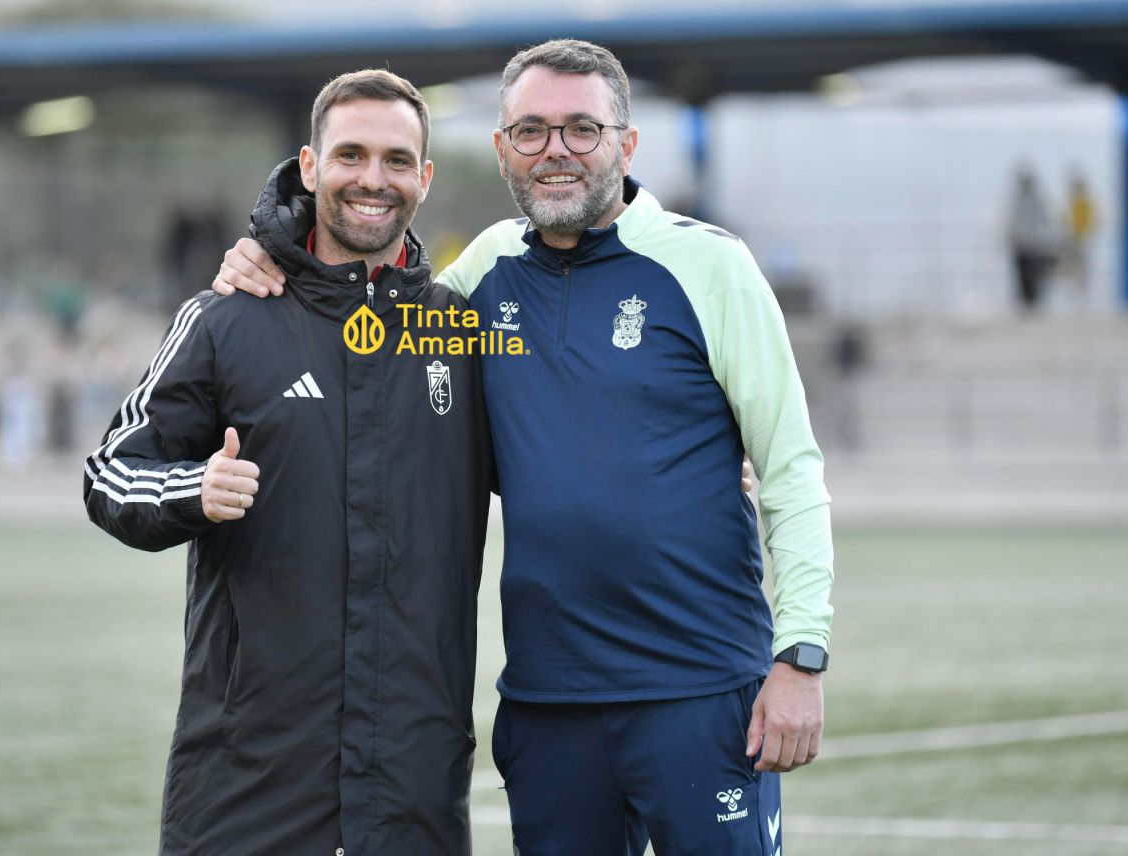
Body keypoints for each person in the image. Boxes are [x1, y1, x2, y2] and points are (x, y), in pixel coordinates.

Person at [214, 40, 834, 856]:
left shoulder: (711, 266)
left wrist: (801, 657)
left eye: (582, 129)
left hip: (701, 689)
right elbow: (364, 330)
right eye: (531, 132)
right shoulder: (484, 272)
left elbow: (790, 470)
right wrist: (273, 252)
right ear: (503, 148)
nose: (556, 151)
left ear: (626, 144)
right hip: (549, 705)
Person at [83, 70, 493, 854]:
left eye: (397, 160)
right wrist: (193, 487)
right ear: (310, 166)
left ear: (425, 177)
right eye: (351, 155)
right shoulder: (224, 319)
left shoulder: (461, 335)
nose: (373, 179)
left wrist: (713, 461)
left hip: (415, 784)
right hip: (246, 781)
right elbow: (108, 473)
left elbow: (562, 458)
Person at [1007, 164, 1058, 312]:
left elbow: (1044, 221)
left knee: (1032, 276)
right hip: (1022, 244)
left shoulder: (1034, 200)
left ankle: (1032, 303)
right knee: (1023, 277)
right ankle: (1026, 303)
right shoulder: (1020, 199)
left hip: (1033, 246)